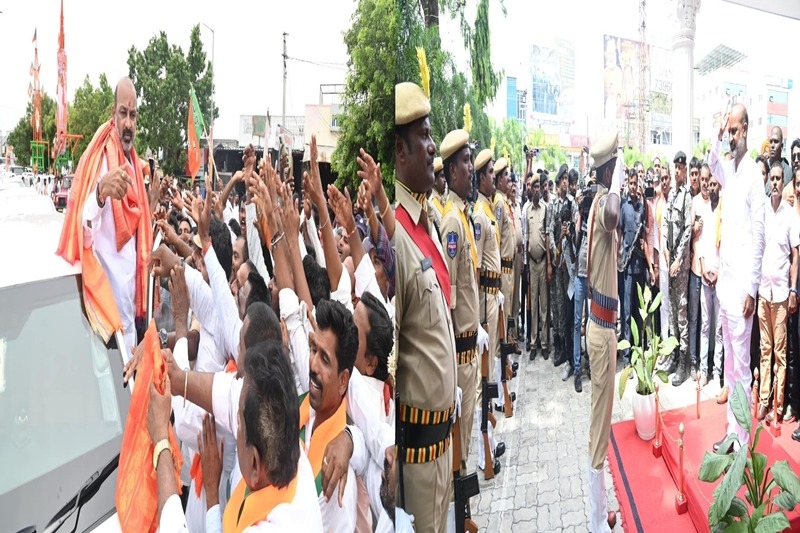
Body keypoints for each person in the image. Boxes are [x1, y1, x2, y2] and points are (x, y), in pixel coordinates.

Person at [150, 340, 324, 532]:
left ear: (254, 464)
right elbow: (232, 398)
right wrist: (179, 379)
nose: (234, 424)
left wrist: (161, 440)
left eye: (238, 424)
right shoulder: (289, 447)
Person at [394, 81, 457, 532]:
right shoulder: (397, 235)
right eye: (424, 136)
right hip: (415, 455)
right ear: (400, 150)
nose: (432, 147)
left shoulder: (426, 225)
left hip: (441, 443)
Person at [57, 77, 153, 351]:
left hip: (130, 318)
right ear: (113, 115)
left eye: (133, 115)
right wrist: (100, 193)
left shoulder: (133, 164)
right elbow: (84, 233)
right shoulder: (102, 160)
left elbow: (136, 242)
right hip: (102, 323)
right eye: (123, 113)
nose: (128, 123)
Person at [709, 103, 766, 452]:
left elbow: (759, 236)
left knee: (743, 371)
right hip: (725, 288)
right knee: (731, 367)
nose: (731, 136)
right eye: (728, 131)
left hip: (742, 290)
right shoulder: (729, 169)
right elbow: (712, 163)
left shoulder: (754, 176)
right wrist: (715, 136)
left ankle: (742, 441)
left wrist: (752, 289)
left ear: (746, 128)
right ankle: (733, 432)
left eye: (734, 130)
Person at [585, 130, 622, 531]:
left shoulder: (596, 201)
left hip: (601, 327)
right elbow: (614, 215)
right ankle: (596, 522)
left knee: (602, 424)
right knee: (598, 431)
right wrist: (618, 180)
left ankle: (600, 508)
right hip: (601, 331)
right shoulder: (602, 205)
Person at [756, 162, 798, 424]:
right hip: (763, 291)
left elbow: (795, 255)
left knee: (780, 354)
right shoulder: (761, 212)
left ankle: (778, 407)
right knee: (764, 349)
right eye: (771, 178)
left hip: (782, 293)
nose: (774, 182)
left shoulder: (791, 215)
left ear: (784, 183)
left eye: (778, 178)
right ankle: (763, 401)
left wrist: (794, 288)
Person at [661, 151, 693, 386]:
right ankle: (673, 355)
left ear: (685, 169)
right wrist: (664, 249)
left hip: (680, 267)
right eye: (675, 167)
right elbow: (665, 227)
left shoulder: (686, 197)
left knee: (681, 313)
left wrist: (677, 259)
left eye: (680, 168)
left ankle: (684, 362)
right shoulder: (671, 195)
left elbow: (687, 231)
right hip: (669, 260)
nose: (677, 171)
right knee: (671, 312)